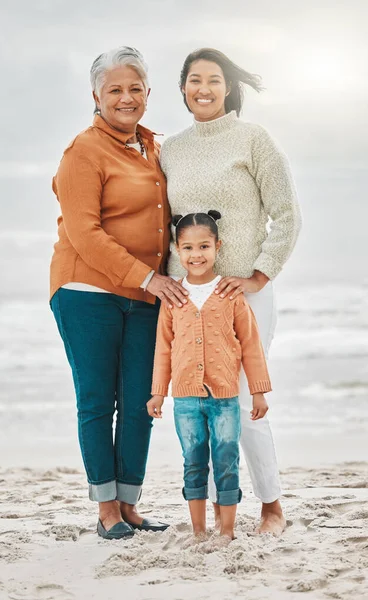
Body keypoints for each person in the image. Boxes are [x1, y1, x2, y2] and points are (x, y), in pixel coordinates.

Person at [160, 48, 302, 535]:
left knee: (240, 405)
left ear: (227, 87)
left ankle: (271, 506)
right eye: (194, 79)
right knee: (201, 409)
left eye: (214, 79)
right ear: (182, 88)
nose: (204, 88)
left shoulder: (253, 139)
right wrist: (167, 283)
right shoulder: (169, 149)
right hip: (189, 299)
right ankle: (220, 515)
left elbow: (286, 214)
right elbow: (165, 227)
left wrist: (260, 273)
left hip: (245, 296)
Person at [49, 46, 188, 540]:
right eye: (115, 90)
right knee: (97, 401)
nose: (126, 98)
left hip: (146, 294)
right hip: (87, 290)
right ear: (96, 96)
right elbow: (85, 233)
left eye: (135, 89)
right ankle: (105, 506)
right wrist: (149, 277)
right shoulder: (83, 151)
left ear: (148, 94)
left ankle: (129, 503)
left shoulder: (154, 148)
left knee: (140, 402)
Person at [147, 211, 272, 540]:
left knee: (227, 459)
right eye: (188, 248)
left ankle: (226, 531)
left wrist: (258, 391)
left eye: (204, 246)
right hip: (185, 399)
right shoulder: (173, 297)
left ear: (218, 246)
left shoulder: (231, 294)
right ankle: (199, 530)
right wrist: (159, 391)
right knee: (193, 460)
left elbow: (251, 345)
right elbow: (163, 348)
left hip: (225, 397)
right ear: (177, 249)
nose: (196, 255)